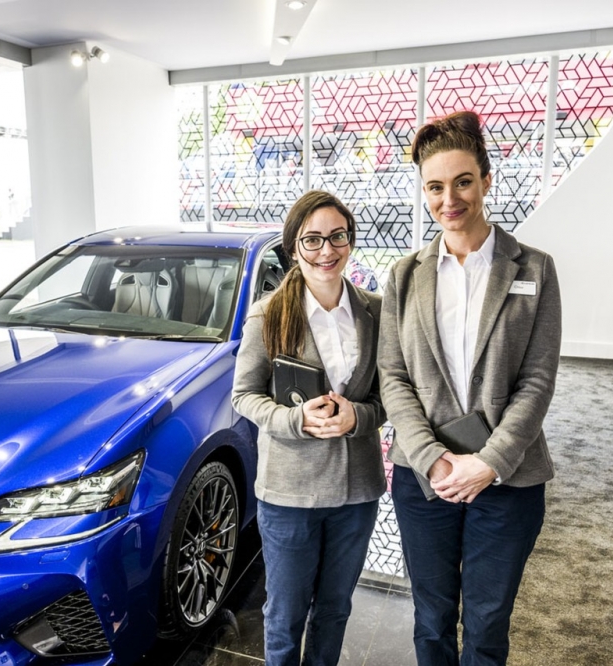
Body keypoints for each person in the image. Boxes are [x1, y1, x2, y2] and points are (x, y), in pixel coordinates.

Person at [377, 111, 561, 665]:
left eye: (462, 182)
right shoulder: (404, 275)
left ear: (485, 179)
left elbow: (537, 380)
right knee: (431, 619)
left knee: (486, 624)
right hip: (424, 480)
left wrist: (490, 462)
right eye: (435, 186)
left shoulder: (534, 269)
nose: (449, 199)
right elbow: (393, 376)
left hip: (507, 479)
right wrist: (432, 458)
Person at [232, 190, 385, 666]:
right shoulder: (268, 314)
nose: (326, 250)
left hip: (356, 490)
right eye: (312, 239)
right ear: (293, 248)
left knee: (335, 609)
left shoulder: (377, 312)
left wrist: (358, 416)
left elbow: (389, 398)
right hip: (290, 493)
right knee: (285, 614)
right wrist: (296, 419)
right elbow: (243, 396)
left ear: (350, 240)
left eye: (337, 236)